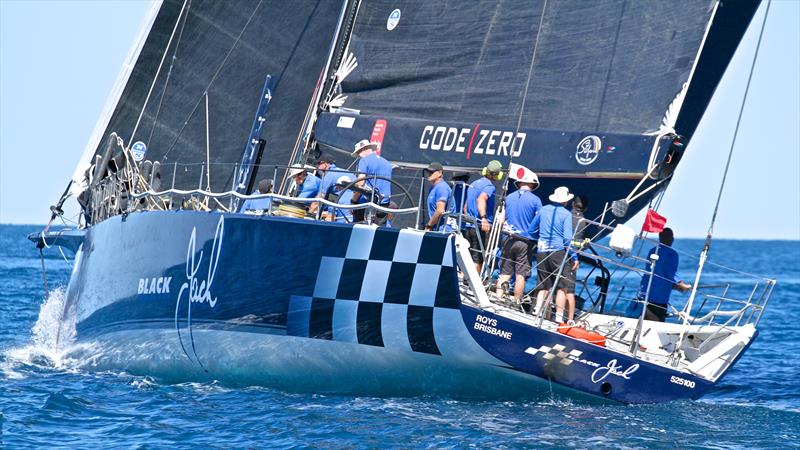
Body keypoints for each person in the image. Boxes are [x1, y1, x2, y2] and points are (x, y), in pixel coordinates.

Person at [528, 186, 578, 323]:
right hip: (558, 252)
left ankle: (537, 309)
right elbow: (567, 239)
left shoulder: (543, 209)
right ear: (566, 201)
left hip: (542, 249)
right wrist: (574, 257)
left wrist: (538, 239)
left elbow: (531, 230)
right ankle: (559, 316)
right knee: (562, 285)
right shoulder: (566, 214)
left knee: (543, 282)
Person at [495, 170, 542, 304]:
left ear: (520, 183)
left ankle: (498, 298)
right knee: (521, 274)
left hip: (507, 238)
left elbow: (501, 218)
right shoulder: (536, 200)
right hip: (524, 241)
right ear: (532, 185)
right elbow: (539, 221)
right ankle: (516, 301)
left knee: (505, 272)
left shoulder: (509, 197)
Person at [636, 227, 692, 322]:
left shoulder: (652, 251)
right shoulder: (672, 254)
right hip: (657, 300)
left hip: (643, 295)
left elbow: (658, 274)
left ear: (660, 237)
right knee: (655, 326)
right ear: (672, 239)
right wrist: (682, 285)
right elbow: (670, 274)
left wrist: (675, 286)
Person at [463, 160, 502, 273]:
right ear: (496, 175)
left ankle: (464, 281)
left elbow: (466, 207)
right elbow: (481, 199)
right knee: (478, 258)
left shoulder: (474, 184)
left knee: (468, 257)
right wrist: (484, 218)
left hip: (469, 225)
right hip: (479, 227)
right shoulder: (489, 187)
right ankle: (474, 285)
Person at [352, 139, 393, 225]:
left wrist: (353, 201)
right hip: (385, 202)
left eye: (358, 153)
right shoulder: (387, 162)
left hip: (369, 201)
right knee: (380, 228)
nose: (358, 156)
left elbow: (361, 184)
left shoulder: (364, 161)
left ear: (363, 150)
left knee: (357, 226)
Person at [310, 154, 355, 221]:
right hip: (354, 206)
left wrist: (310, 212)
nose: (317, 167)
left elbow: (320, 197)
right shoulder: (347, 172)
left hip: (342, 207)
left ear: (325, 164)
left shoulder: (329, 175)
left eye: (318, 164)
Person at [565, 195, 589, 312]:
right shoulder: (584, 222)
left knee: (550, 285)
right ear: (585, 209)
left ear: (572, 204)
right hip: (573, 258)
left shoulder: (565, 216)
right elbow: (584, 244)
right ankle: (568, 317)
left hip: (559, 253)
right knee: (569, 290)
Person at [423, 162, 455, 232]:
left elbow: (440, 211)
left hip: (445, 230)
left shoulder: (442, 187)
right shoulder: (433, 188)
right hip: (438, 229)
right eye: (428, 172)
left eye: (431, 172)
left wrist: (429, 226)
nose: (429, 174)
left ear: (440, 173)